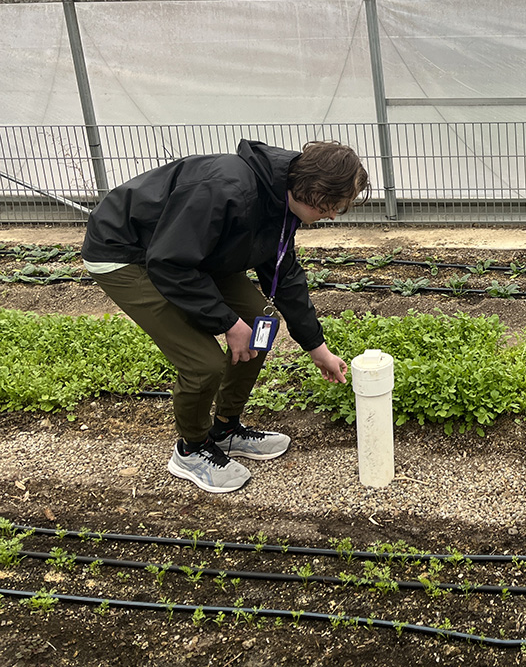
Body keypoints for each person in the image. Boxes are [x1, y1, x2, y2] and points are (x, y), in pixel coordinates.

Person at [82, 139, 370, 494]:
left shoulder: (282, 201)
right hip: (129, 253)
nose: (331, 215)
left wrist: (316, 347)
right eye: (331, 206)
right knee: (203, 363)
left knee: (261, 325)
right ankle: (191, 449)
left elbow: (284, 275)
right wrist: (228, 323)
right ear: (312, 189)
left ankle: (226, 426)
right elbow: (168, 263)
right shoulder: (228, 190)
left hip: (193, 254)